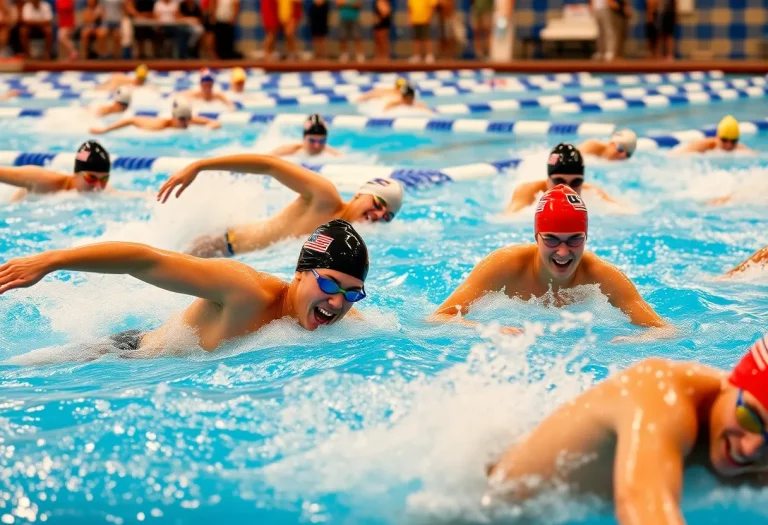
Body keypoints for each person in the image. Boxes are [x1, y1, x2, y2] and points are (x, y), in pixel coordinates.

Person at [485, 335, 768, 524]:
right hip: (481, 510)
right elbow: (642, 506)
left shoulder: (751, 448)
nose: (751, 448)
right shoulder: (661, 396)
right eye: (750, 418)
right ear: (733, 381)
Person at [0, 220, 370, 364]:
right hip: (124, 354)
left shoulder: (338, 315)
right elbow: (141, 260)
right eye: (328, 284)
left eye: (352, 293)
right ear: (299, 274)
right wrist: (49, 261)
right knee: (17, 370)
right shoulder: (245, 290)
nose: (337, 302)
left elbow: (401, 330)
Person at [432, 185, 670, 340]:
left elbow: (665, 330)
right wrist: (487, 330)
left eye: (574, 239)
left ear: (586, 238)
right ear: (536, 237)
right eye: (552, 240)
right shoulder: (503, 266)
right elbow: (437, 318)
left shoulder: (602, 276)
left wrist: (636, 340)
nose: (563, 251)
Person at [156, 154, 403, 258]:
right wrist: (199, 166)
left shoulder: (348, 241)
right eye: (379, 203)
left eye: (388, 216)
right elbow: (269, 165)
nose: (380, 215)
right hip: (220, 247)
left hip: (238, 264)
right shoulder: (324, 196)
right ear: (361, 194)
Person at [503, 143, 619, 215]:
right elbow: (508, 218)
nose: (567, 189)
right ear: (548, 180)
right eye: (559, 181)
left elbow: (623, 209)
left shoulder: (591, 192)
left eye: (576, 182)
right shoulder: (527, 191)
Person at [0, 141, 112, 202]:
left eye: (104, 179)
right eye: (91, 178)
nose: (97, 186)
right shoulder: (42, 180)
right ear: (76, 173)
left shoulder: (105, 191)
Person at [89, 98, 221, 134]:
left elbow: (215, 122)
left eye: (188, 119)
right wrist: (105, 130)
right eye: (182, 119)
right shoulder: (159, 126)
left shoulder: (188, 121)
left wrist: (210, 127)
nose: (186, 123)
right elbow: (131, 120)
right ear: (174, 117)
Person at [269, 114, 342, 158]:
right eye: (312, 141)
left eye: (321, 141)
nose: (317, 145)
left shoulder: (331, 154)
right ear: (304, 139)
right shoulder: (289, 150)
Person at [680, 115, 752, 154]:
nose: (729, 145)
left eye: (733, 141)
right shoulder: (704, 145)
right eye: (724, 140)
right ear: (717, 137)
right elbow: (679, 154)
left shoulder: (739, 148)